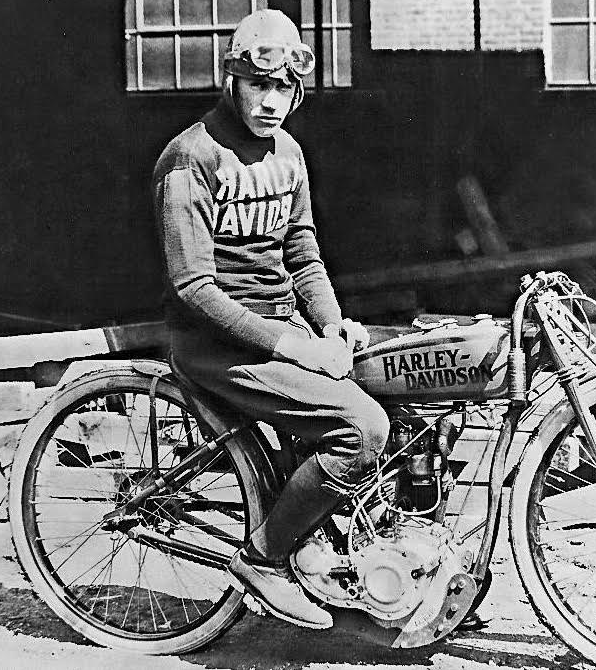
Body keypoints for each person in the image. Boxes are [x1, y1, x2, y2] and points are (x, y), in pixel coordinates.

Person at [152, 9, 389, 630]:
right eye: (259, 85)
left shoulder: (289, 153)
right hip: (215, 345)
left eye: (284, 88)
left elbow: (302, 252)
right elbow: (194, 287)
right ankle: (265, 559)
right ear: (231, 82)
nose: (271, 101)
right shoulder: (191, 158)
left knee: (400, 390)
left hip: (282, 333)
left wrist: (332, 326)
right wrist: (294, 345)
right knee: (361, 428)